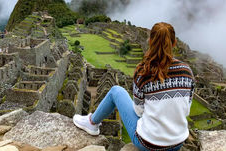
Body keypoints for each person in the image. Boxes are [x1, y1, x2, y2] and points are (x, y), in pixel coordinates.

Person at [73, 22, 195, 151]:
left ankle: (92, 123)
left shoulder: (143, 71)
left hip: (147, 145)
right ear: (174, 43)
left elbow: (138, 111)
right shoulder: (186, 71)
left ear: (150, 41)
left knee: (116, 91)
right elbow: (186, 109)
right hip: (177, 144)